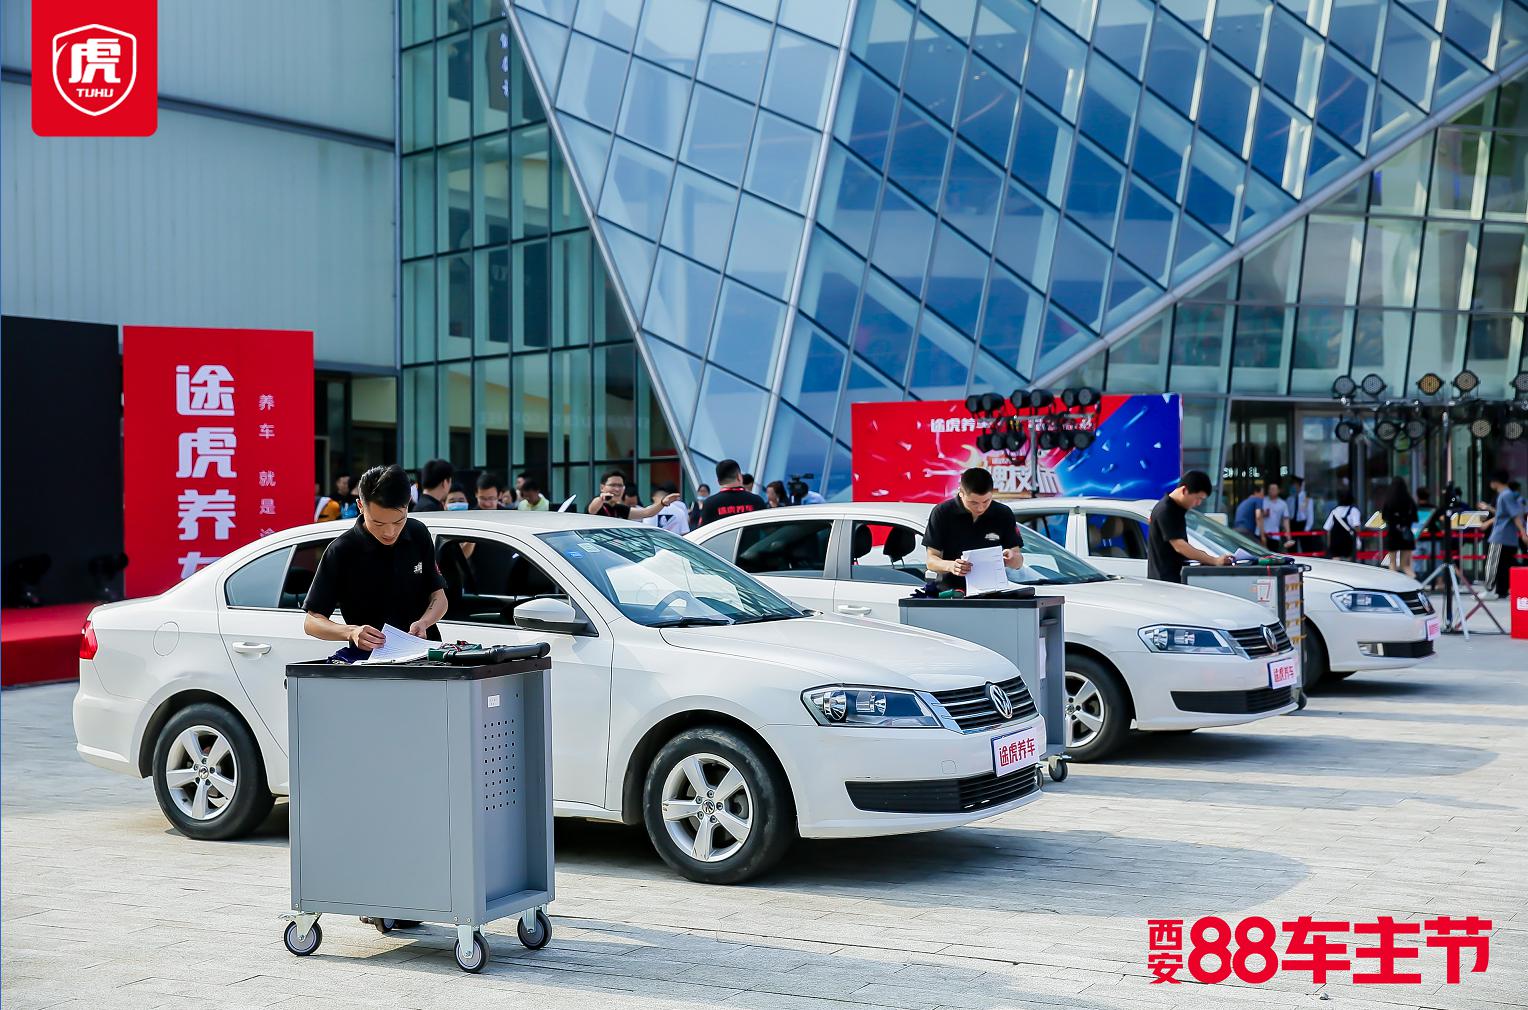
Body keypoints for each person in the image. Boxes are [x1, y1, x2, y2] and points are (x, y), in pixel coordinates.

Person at [922, 467, 1025, 593]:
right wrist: (951, 566)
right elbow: (931, 560)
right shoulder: (942, 513)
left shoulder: (1003, 513)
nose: (980, 508)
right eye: (973, 503)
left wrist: (1012, 558)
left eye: (986, 501)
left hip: (993, 594)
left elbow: (1018, 561)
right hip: (952, 593)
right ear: (961, 493)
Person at [1146, 471, 1232, 583]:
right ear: (1184, 490)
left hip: (1172, 578)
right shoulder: (1166, 510)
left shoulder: (1176, 509)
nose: (1198, 503)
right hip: (1165, 582)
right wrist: (1214, 560)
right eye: (1198, 498)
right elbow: (1180, 546)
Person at [1481, 469, 1527, 599]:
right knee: (1504, 565)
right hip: (1509, 537)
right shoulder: (1509, 495)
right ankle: (1501, 591)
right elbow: (1507, 514)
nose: (1490, 484)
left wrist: (1523, 533)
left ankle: (1489, 590)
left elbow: (1515, 516)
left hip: (1500, 535)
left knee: (1492, 563)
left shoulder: (1505, 495)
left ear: (1496, 481)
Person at [587, 470, 679, 520]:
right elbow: (592, 509)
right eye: (613, 485)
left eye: (620, 485)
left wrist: (663, 503)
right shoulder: (598, 504)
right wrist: (601, 499)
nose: (617, 489)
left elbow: (646, 513)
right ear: (602, 487)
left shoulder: (618, 508)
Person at [698, 460, 767, 527]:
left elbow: (701, 530)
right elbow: (767, 529)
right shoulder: (757, 501)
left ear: (718, 481)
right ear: (739, 477)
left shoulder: (709, 504)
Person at [1381, 477, 1419, 578]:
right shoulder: (1410, 501)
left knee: (1392, 564)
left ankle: (1394, 585)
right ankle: (1415, 581)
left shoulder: (1389, 501)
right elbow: (1415, 518)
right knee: (1405, 566)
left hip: (1393, 534)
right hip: (1406, 535)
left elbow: (1384, 517)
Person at [1323, 492, 1362, 562]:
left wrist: (1329, 544)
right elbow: (1357, 527)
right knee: (1348, 563)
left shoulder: (1334, 511)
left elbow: (1327, 528)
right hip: (1348, 541)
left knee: (1336, 562)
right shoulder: (1354, 510)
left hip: (1335, 541)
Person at [1256, 481, 1293, 551]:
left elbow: (1286, 519)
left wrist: (1288, 534)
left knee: (1274, 554)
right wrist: (1263, 514)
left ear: (1278, 490)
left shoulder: (1283, 504)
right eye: (1270, 489)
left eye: (1274, 489)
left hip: (1274, 535)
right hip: (1260, 533)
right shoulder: (1262, 500)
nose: (1272, 490)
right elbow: (1256, 516)